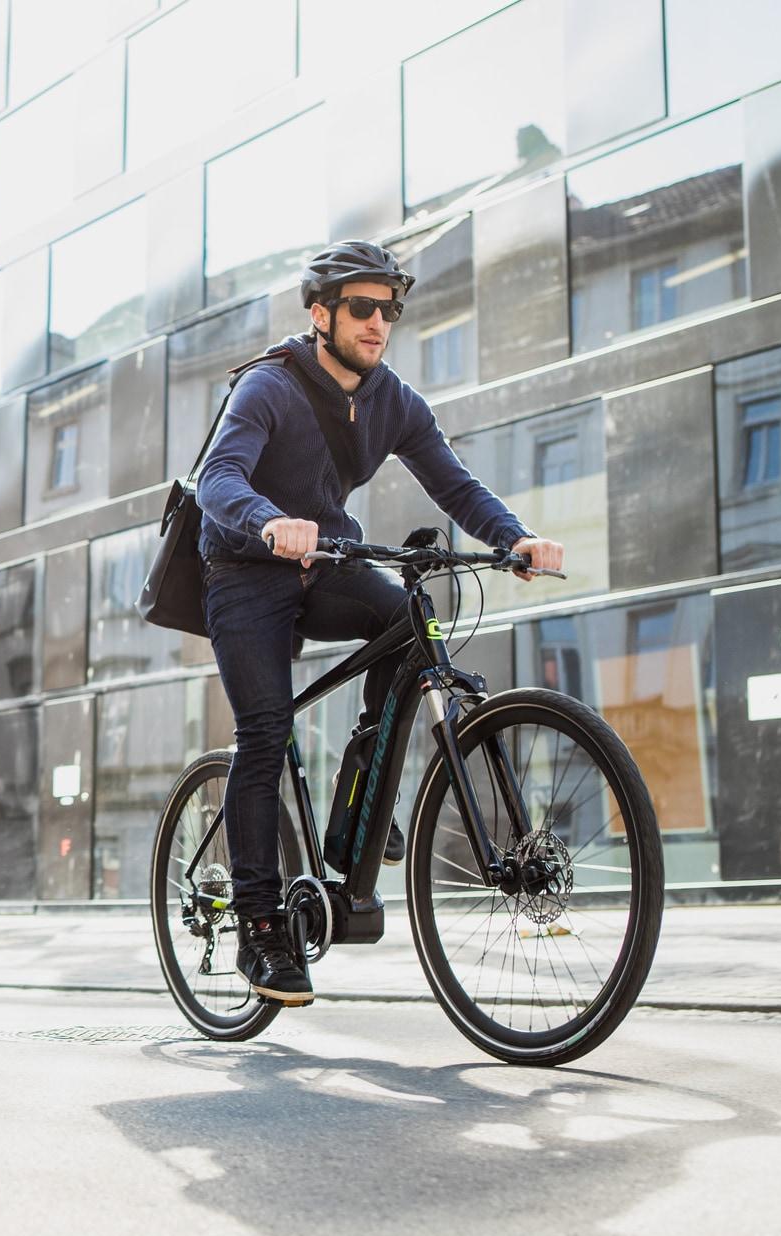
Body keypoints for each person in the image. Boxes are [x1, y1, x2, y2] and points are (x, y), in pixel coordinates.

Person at [196, 239, 563, 1008]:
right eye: (361, 307)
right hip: (246, 572)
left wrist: (512, 539)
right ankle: (260, 929)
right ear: (321, 313)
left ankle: (357, 807)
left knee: (410, 624)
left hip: (324, 564)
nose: (378, 322)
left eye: (389, 308)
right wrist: (269, 522)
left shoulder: (392, 399)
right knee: (263, 733)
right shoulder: (269, 386)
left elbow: (453, 482)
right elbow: (218, 479)